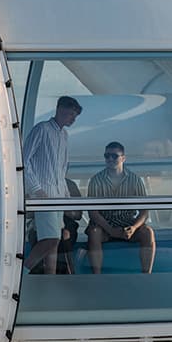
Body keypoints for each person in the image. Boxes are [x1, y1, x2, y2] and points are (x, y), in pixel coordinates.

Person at [22, 95, 82, 274]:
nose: (73, 119)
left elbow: (61, 171)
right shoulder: (41, 129)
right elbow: (24, 161)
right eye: (71, 114)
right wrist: (36, 190)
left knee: (54, 242)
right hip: (43, 196)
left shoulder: (64, 135)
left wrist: (66, 198)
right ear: (60, 110)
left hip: (57, 196)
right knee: (52, 239)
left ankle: (51, 278)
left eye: (74, 116)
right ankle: (22, 272)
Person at [85, 141, 155, 274]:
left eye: (114, 156)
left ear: (123, 158)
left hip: (127, 222)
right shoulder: (96, 180)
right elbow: (93, 212)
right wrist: (110, 230)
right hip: (104, 223)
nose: (110, 159)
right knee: (94, 233)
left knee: (148, 232)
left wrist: (133, 228)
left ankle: (146, 275)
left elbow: (145, 210)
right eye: (107, 156)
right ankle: (97, 276)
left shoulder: (135, 180)